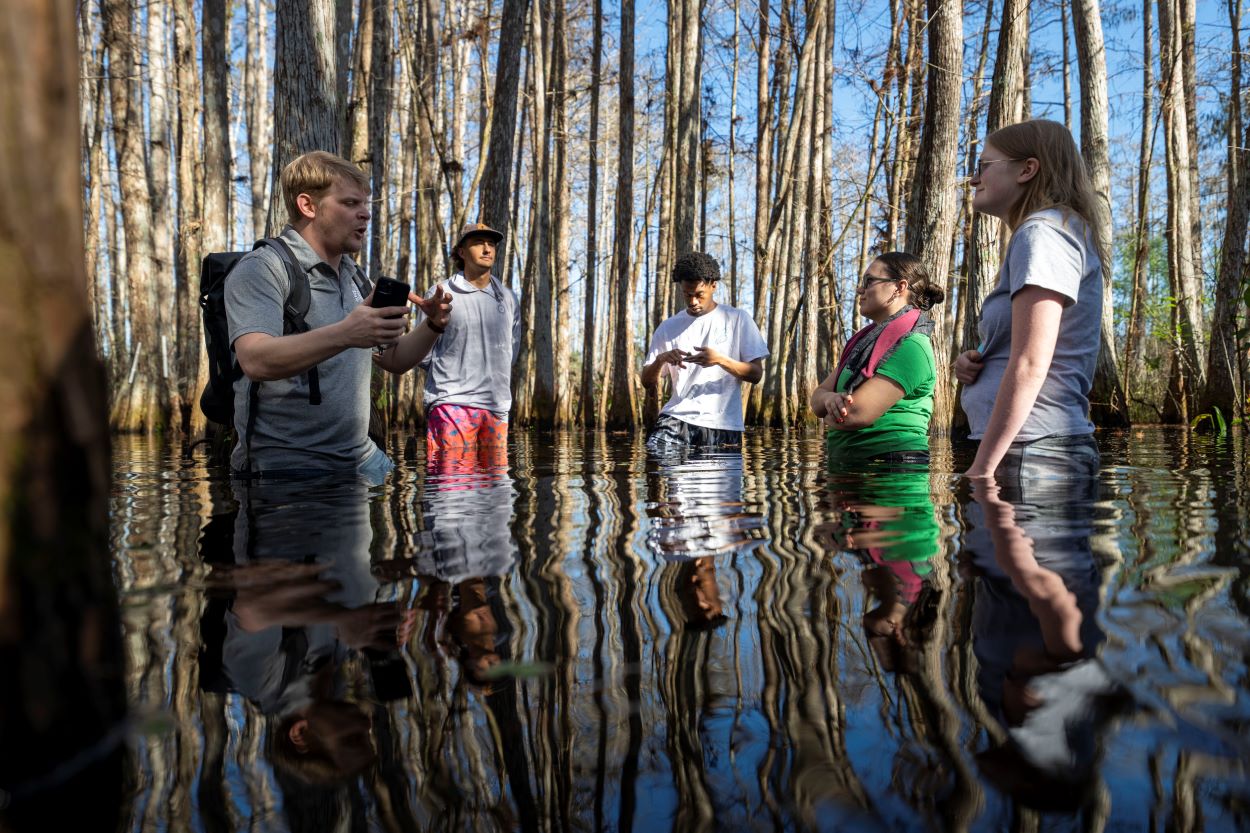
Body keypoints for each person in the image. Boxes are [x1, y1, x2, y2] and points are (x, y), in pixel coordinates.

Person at [226, 150, 449, 479]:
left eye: (366, 205)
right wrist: (346, 333)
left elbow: (395, 359)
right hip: (285, 470)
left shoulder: (356, 278)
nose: (365, 215)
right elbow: (255, 360)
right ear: (308, 206)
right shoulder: (263, 268)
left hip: (361, 458)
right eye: (350, 204)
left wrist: (433, 324)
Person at [954, 119, 1105, 478]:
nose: (974, 179)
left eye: (983, 166)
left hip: (1033, 456)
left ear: (1027, 169)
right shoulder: (1053, 230)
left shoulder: (1042, 232)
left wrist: (982, 469)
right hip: (1033, 451)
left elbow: (1031, 363)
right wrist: (979, 362)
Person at [810, 252, 946, 466]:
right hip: (851, 470)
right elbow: (817, 397)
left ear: (899, 287)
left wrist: (828, 412)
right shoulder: (862, 344)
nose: (859, 290)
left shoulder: (913, 346)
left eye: (869, 281)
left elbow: (853, 415)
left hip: (893, 470)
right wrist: (829, 400)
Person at [401, 222, 521, 451]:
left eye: (491, 244)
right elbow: (422, 352)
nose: (487, 249)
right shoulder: (441, 294)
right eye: (478, 243)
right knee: (451, 481)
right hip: (452, 403)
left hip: (497, 406)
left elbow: (512, 349)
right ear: (461, 252)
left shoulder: (508, 297)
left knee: (495, 483)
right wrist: (451, 375)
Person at [642, 252, 769, 449]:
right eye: (687, 294)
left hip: (724, 425)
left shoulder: (738, 319)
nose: (693, 301)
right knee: (655, 452)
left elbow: (756, 375)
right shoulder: (668, 327)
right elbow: (646, 381)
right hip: (676, 419)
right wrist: (660, 360)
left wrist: (720, 360)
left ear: (713, 286)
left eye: (699, 295)